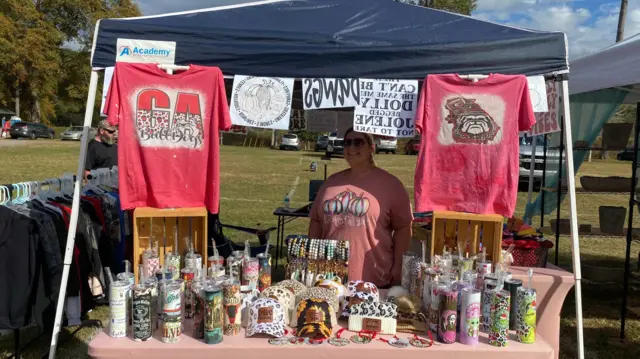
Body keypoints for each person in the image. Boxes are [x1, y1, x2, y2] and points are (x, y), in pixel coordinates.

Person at [309, 128, 413, 287]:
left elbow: (404, 227)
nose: (351, 148)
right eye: (347, 143)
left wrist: (398, 266)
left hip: (373, 280)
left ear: (371, 147)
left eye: (358, 142)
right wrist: (311, 259)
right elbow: (316, 221)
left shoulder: (390, 184)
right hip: (329, 279)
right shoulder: (331, 182)